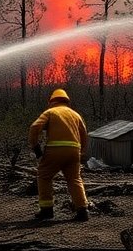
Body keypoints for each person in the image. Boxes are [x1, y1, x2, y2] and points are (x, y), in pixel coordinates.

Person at [28, 89, 90, 222]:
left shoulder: (50, 112)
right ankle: (82, 210)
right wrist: (81, 152)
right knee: (74, 179)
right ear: (66, 101)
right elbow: (84, 134)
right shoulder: (75, 115)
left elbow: (34, 127)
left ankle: (46, 210)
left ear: (51, 101)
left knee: (44, 176)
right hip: (74, 151)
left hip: (55, 150)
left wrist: (36, 148)